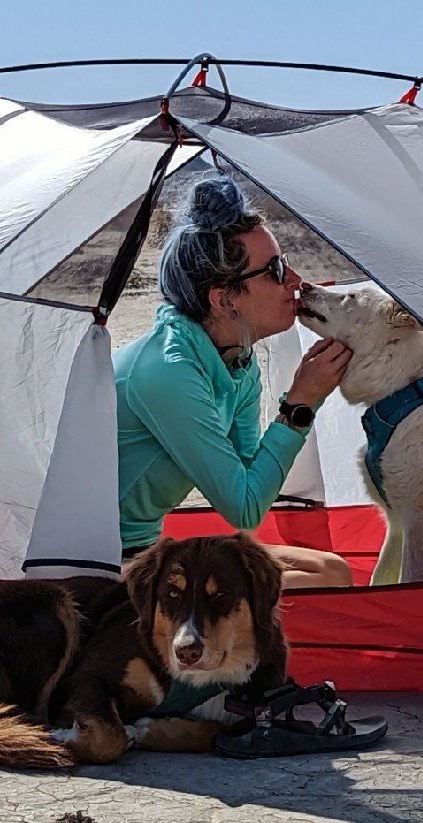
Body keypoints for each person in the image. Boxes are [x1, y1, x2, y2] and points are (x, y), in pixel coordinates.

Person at [113, 176, 355, 588]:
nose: (296, 281)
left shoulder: (235, 363)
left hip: (146, 550)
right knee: (322, 585)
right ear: (224, 299)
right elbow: (243, 509)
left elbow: (250, 488)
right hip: (96, 562)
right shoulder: (168, 372)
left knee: (332, 569)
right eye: (275, 270)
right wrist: (300, 405)